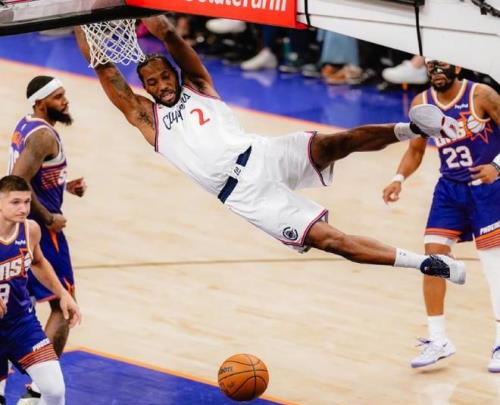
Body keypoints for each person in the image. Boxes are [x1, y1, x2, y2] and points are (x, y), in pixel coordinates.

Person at [75, 16, 465, 284]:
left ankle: (413, 128)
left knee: (337, 142)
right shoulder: (148, 120)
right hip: (246, 196)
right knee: (333, 242)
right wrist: (75, 16)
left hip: (263, 153)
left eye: (164, 76)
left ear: (174, 75)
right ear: (144, 88)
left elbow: (171, 37)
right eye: (152, 82)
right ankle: (427, 263)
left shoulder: (198, 86)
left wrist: (151, 16)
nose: (161, 85)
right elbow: (104, 68)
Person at [382, 59, 500, 371]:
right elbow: (416, 150)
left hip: (489, 189)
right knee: (433, 259)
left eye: (442, 65)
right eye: (431, 65)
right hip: (450, 189)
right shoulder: (422, 103)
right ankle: (438, 340)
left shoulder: (482, 95)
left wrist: (496, 166)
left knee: (494, 265)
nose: (436, 70)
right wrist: (398, 179)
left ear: (458, 67)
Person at [3, 75, 86, 405]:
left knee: (10, 309)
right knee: (64, 307)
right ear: (40, 102)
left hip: (26, 226)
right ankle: (38, 394)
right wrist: (49, 216)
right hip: (40, 232)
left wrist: (66, 186)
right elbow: (19, 181)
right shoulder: (42, 136)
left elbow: (36, 176)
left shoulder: (28, 126)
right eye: (58, 96)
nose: (65, 101)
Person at [0, 175, 81, 405]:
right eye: (15, 202)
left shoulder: (30, 230)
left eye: (26, 202)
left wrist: (63, 293)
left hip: (21, 324)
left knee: (55, 390)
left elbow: (38, 262)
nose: (23, 208)